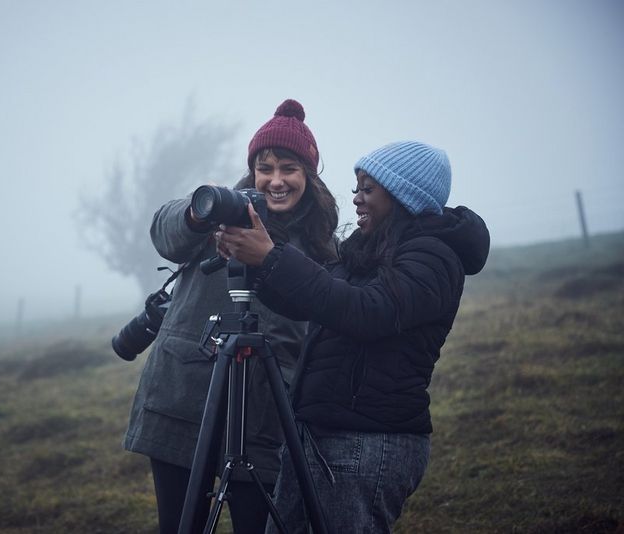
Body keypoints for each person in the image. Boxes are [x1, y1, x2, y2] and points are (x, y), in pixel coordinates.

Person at [216, 140, 491, 533]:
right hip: (322, 433)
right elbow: (317, 301)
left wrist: (272, 256)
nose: (356, 198)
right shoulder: (372, 249)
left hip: (368, 441)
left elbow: (366, 312)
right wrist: (256, 263)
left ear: (401, 195)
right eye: (357, 186)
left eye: (368, 188)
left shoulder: (433, 256)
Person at [123, 99, 340, 533]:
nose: (275, 180)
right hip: (184, 402)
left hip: (265, 417)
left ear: (309, 176)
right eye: (266, 167)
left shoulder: (320, 245)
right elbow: (162, 232)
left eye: (289, 168)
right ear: (253, 170)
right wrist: (195, 212)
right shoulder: (222, 213)